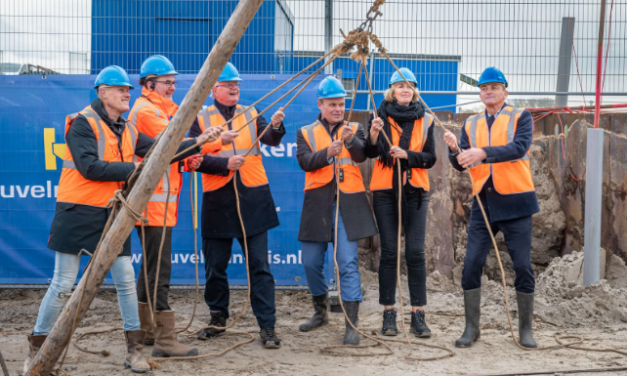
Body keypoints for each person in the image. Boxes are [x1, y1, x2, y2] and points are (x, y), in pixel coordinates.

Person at [25, 65, 220, 373]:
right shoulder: (82, 123)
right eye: (121, 90)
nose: (127, 94)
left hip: (114, 213)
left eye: (128, 90)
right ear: (103, 93)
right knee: (63, 284)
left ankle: (135, 352)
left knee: (127, 282)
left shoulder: (126, 127)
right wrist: (138, 170)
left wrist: (197, 142)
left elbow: (160, 150)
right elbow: (90, 168)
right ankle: (37, 348)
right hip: (77, 212)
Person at [128, 55, 237, 358]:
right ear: (149, 84)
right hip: (152, 203)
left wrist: (206, 142)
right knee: (159, 271)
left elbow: (181, 148)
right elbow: (170, 147)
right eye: (166, 82)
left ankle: (148, 330)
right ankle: (164, 341)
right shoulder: (147, 111)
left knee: (149, 269)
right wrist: (204, 140)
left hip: (158, 203)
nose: (172, 87)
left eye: (174, 82)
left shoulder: (164, 110)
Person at [188, 62, 286, 349]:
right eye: (228, 84)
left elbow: (270, 138)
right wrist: (223, 163)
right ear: (214, 89)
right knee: (215, 266)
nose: (234, 88)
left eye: (237, 84)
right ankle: (217, 319)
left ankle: (267, 327)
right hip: (217, 201)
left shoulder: (251, 111)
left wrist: (277, 124)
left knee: (260, 267)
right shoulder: (199, 118)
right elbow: (190, 157)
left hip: (254, 200)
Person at [443, 67, 539, 349]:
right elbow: (461, 162)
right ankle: (471, 328)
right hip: (484, 203)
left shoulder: (521, 117)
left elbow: (519, 148)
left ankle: (525, 330)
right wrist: (453, 150)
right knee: (471, 263)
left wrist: (483, 153)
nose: (488, 91)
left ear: (505, 92)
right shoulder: (470, 124)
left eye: (494, 87)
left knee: (522, 265)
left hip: (517, 202)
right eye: (484, 87)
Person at [296, 77, 377, 345]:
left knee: (347, 263)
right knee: (310, 262)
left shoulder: (354, 128)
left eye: (341, 104)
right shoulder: (305, 132)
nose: (338, 109)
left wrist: (351, 140)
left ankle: (351, 325)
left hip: (348, 205)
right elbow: (305, 163)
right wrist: (328, 152)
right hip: (317, 205)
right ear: (320, 104)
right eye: (332, 104)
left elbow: (362, 155)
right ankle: (320, 313)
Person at [366, 68, 437, 338]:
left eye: (409, 86)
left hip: (416, 191)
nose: (405, 89)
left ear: (415, 90)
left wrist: (407, 154)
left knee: (415, 254)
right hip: (385, 191)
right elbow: (371, 152)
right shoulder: (378, 117)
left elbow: (430, 158)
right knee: (389, 253)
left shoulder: (426, 119)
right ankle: (389, 315)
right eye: (399, 85)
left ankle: (418, 315)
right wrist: (373, 134)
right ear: (391, 91)